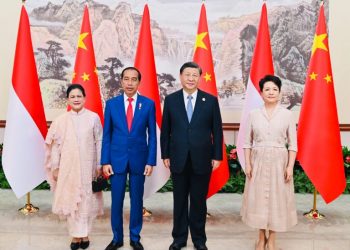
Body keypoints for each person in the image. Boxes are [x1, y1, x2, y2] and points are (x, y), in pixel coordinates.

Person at [161, 62, 223, 250]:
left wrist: (218, 156)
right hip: (178, 158)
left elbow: (217, 131)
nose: (190, 78)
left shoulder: (210, 101)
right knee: (179, 201)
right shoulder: (171, 100)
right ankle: (179, 239)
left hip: (202, 158)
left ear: (199, 78)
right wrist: (165, 154)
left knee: (198, 201)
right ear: (181, 77)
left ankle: (199, 240)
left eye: (194, 75)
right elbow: (166, 130)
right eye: (187, 75)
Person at [101, 67, 156, 250]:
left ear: (139, 82)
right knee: (116, 200)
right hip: (116, 160)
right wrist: (105, 161)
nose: (130, 83)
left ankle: (134, 237)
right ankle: (117, 238)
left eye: (134, 79)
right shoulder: (111, 104)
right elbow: (107, 135)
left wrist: (150, 161)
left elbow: (152, 136)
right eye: (126, 79)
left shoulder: (148, 104)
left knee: (137, 200)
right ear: (121, 81)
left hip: (139, 160)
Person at [240, 75, 297, 250]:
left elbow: (293, 144)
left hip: (280, 162)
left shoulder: (287, 115)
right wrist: (248, 164)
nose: (271, 92)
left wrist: (289, 166)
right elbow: (247, 142)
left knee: (277, 200)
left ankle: (272, 239)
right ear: (262, 93)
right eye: (267, 89)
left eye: (274, 89)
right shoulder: (254, 114)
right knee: (258, 199)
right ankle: (260, 237)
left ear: (280, 93)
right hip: (258, 161)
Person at [45, 84, 103, 250]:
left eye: (79, 96)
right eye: (73, 97)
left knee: (87, 201)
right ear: (68, 100)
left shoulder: (93, 117)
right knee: (72, 201)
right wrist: (55, 167)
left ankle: (85, 234)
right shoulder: (60, 121)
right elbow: (55, 146)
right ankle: (75, 236)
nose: (76, 99)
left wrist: (99, 163)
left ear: (84, 98)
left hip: (89, 167)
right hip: (68, 168)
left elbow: (99, 141)